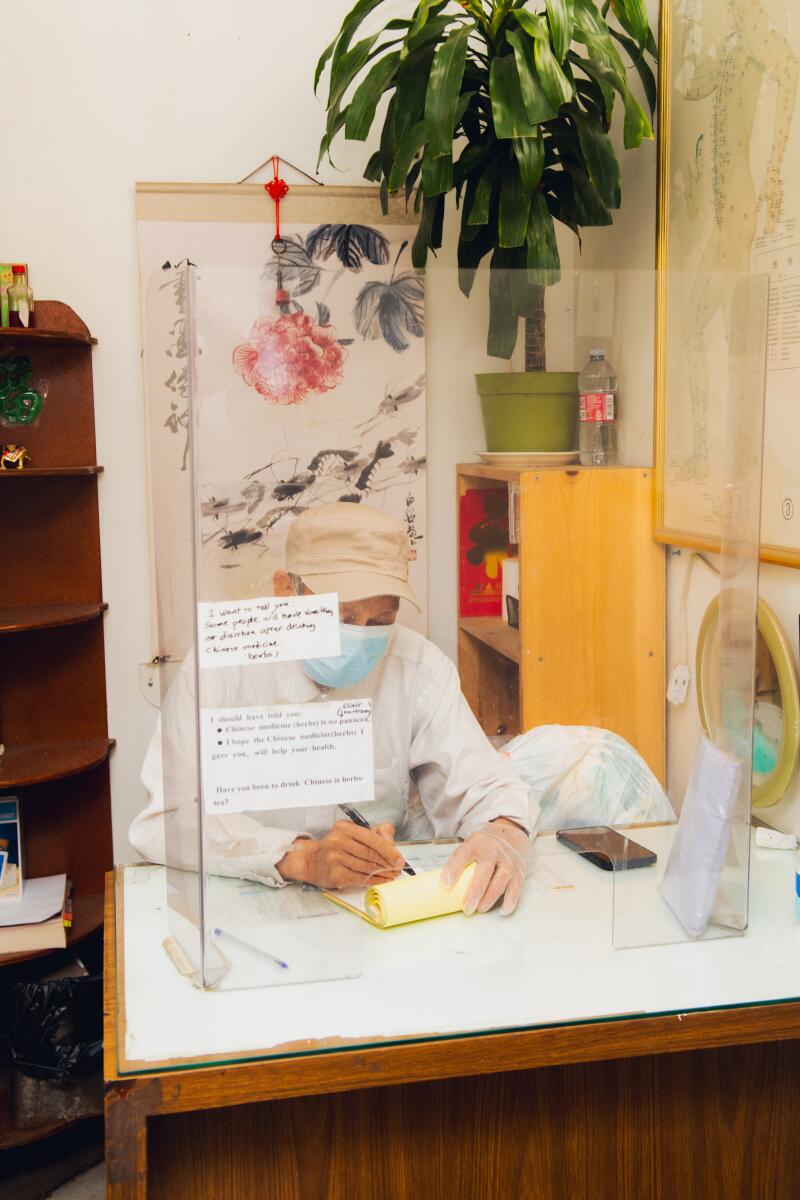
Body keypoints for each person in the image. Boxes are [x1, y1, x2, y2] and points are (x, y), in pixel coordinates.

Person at [131, 503, 537, 915]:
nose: (359, 637)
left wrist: (502, 832)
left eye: (380, 621)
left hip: (373, 902)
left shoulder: (417, 665)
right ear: (286, 592)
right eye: (339, 615)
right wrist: (302, 858)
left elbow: (485, 785)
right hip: (241, 905)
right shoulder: (223, 666)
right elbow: (166, 817)